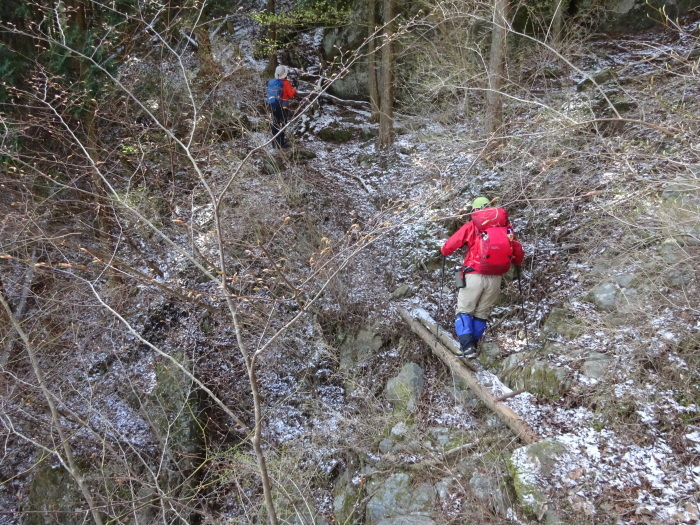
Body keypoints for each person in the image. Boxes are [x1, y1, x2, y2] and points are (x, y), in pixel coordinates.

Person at [440, 197, 524, 358]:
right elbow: (517, 251)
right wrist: (518, 262)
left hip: (474, 275)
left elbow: (451, 244)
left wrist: (444, 250)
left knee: (464, 310)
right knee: (481, 313)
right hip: (495, 278)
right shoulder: (506, 228)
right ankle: (470, 347)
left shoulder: (473, 225)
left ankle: (467, 347)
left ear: (475, 210)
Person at [265, 65, 297, 149]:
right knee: (283, 124)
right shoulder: (286, 83)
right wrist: (295, 88)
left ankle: (274, 142)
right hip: (283, 106)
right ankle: (281, 143)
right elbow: (290, 94)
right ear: (285, 74)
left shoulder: (272, 82)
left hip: (272, 105)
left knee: (274, 123)